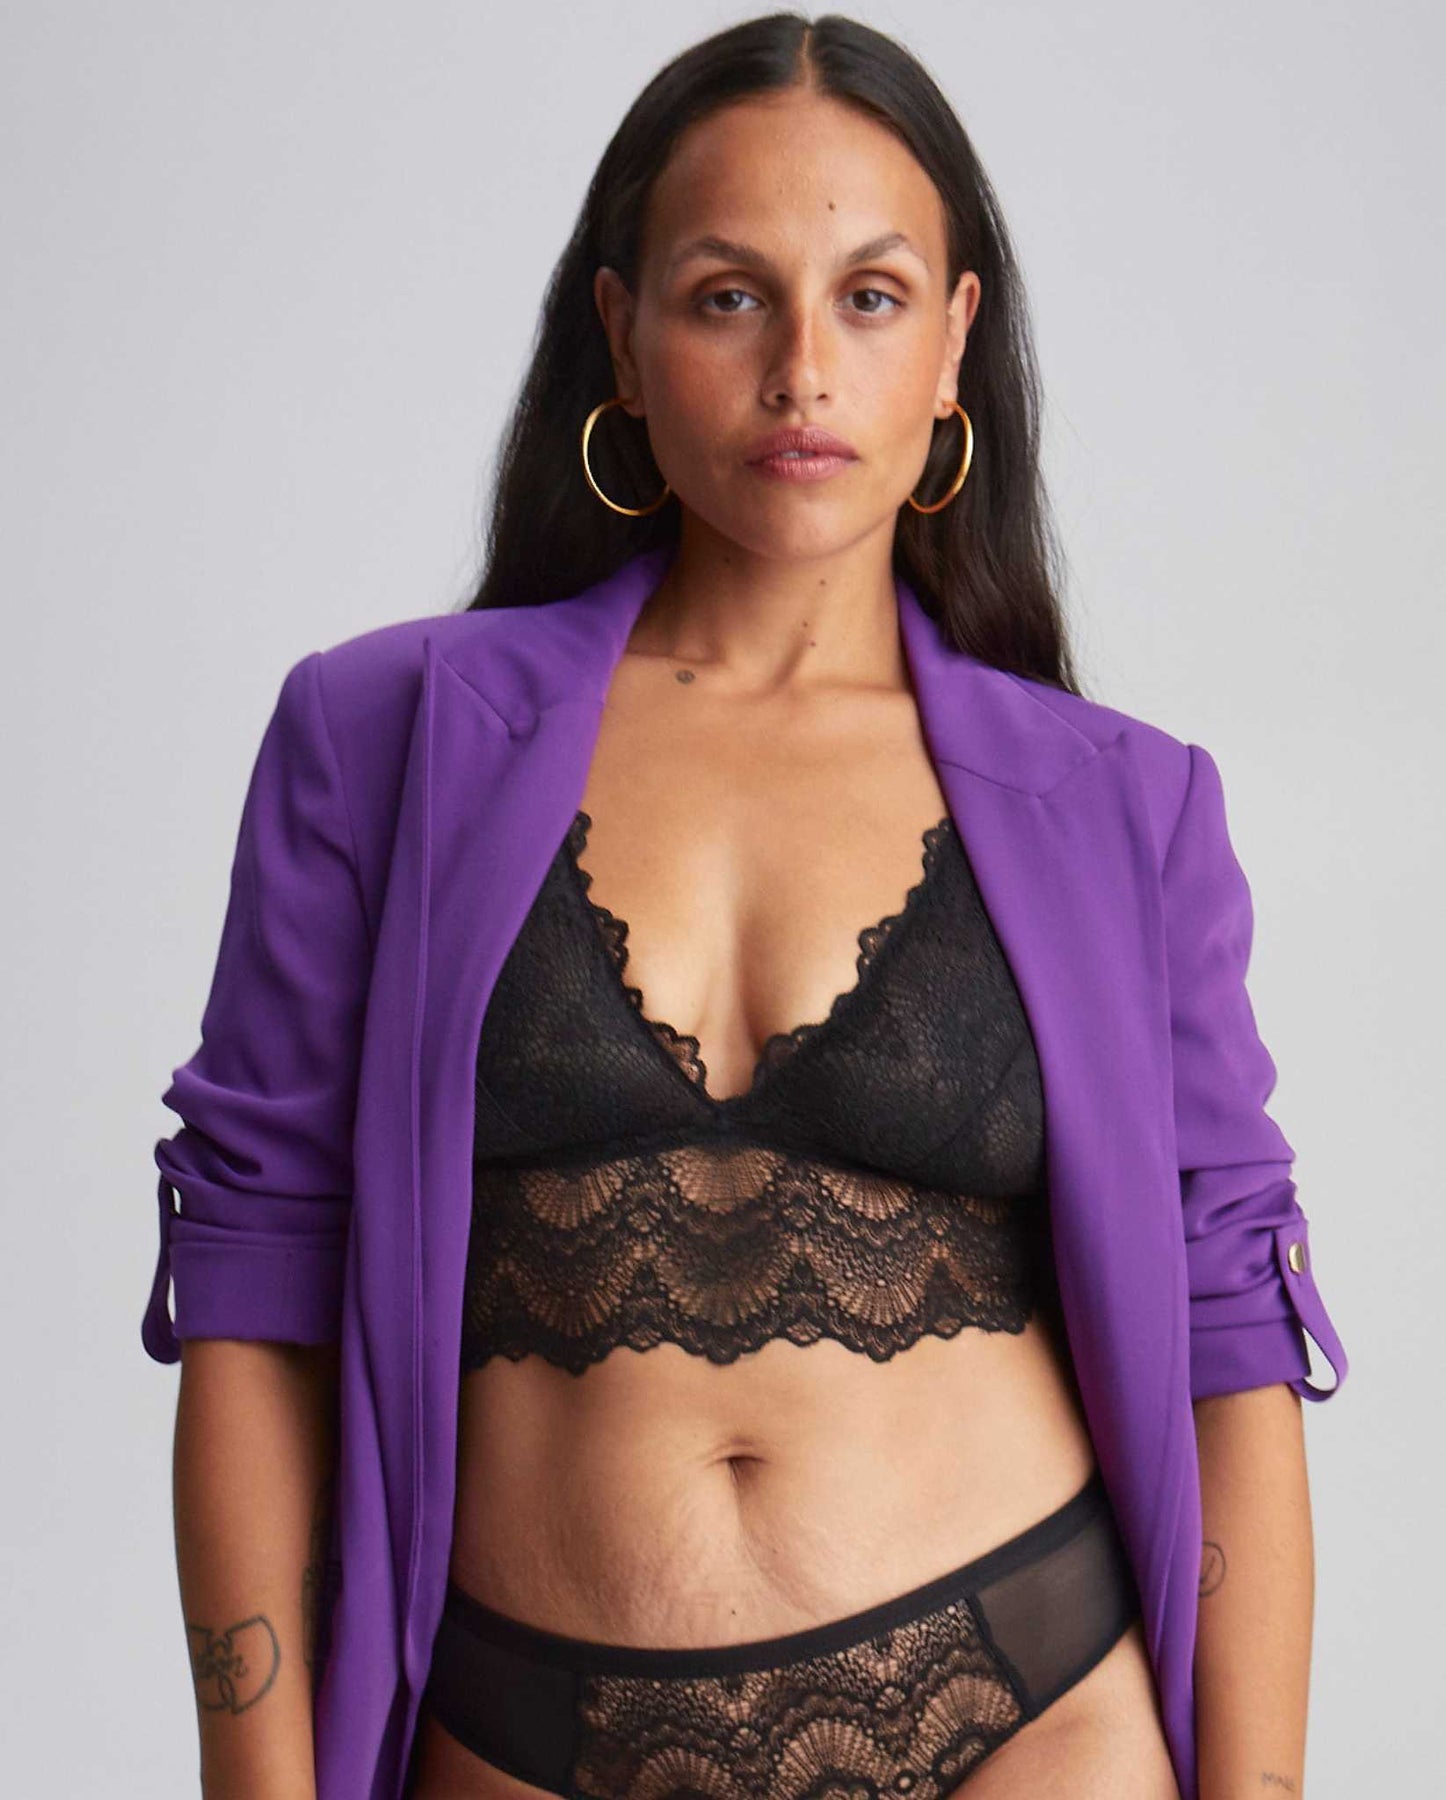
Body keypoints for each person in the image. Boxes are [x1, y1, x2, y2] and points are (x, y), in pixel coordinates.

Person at [141, 13, 1350, 1800]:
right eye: (727, 297)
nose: (801, 369)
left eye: (868, 297)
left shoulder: (1121, 805)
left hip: (1031, 1720)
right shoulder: (385, 738)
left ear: (952, 341)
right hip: (523, 1732)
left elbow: (1226, 1355)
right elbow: (254, 1298)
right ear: (622, 336)